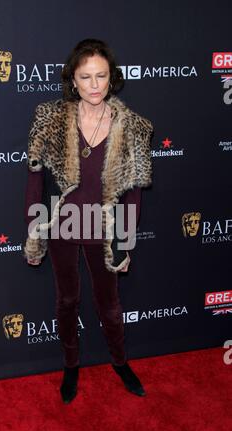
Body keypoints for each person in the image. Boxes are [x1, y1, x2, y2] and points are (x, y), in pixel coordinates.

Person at [23, 38, 154, 404]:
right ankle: (70, 365)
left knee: (109, 305)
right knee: (67, 300)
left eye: (101, 76)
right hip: (62, 225)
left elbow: (134, 193)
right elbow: (35, 181)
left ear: (111, 79)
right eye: (86, 77)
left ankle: (120, 362)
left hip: (105, 228)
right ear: (73, 80)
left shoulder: (132, 128)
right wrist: (35, 234)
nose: (94, 85)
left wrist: (125, 242)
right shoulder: (49, 121)